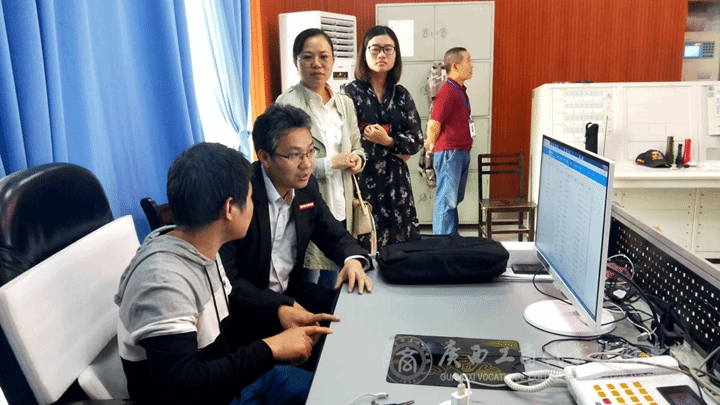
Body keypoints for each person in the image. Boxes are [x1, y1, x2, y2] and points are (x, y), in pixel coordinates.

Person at [115, 143, 338, 405]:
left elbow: (228, 310)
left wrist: (280, 310)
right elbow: (181, 390)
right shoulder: (164, 282)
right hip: (210, 396)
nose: (254, 206)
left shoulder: (202, 247)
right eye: (251, 198)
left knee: (336, 391)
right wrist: (271, 349)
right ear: (230, 208)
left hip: (232, 381)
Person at [220, 103, 372, 322]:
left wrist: (352, 260)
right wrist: (279, 307)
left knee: (357, 308)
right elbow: (227, 279)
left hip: (293, 294)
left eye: (310, 151)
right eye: (294, 155)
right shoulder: (240, 195)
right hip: (248, 308)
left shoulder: (306, 188)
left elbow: (332, 233)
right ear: (264, 157)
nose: (307, 164)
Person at [276, 28, 365, 286]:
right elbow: (284, 163)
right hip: (306, 203)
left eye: (324, 56)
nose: (317, 63)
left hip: (342, 201)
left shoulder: (344, 102)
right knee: (308, 277)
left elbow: (357, 144)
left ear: (333, 60)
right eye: (308, 57)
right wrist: (330, 164)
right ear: (296, 62)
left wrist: (358, 160)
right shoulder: (287, 104)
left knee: (337, 272)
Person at [341, 25, 423, 250]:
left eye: (388, 49)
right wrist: (398, 148)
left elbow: (417, 139)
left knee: (400, 244)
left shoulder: (401, 94)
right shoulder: (350, 94)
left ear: (396, 54)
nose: (382, 55)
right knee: (365, 241)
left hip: (397, 181)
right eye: (375, 48)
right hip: (363, 178)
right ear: (364, 52)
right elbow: (346, 141)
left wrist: (387, 141)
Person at [424, 47, 474, 235]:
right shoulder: (447, 91)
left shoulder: (459, 90)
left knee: (453, 200)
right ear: (455, 66)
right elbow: (433, 124)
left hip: (460, 152)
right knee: (446, 201)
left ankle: (450, 239)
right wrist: (430, 145)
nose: (472, 65)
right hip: (450, 153)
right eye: (468, 60)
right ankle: (442, 243)